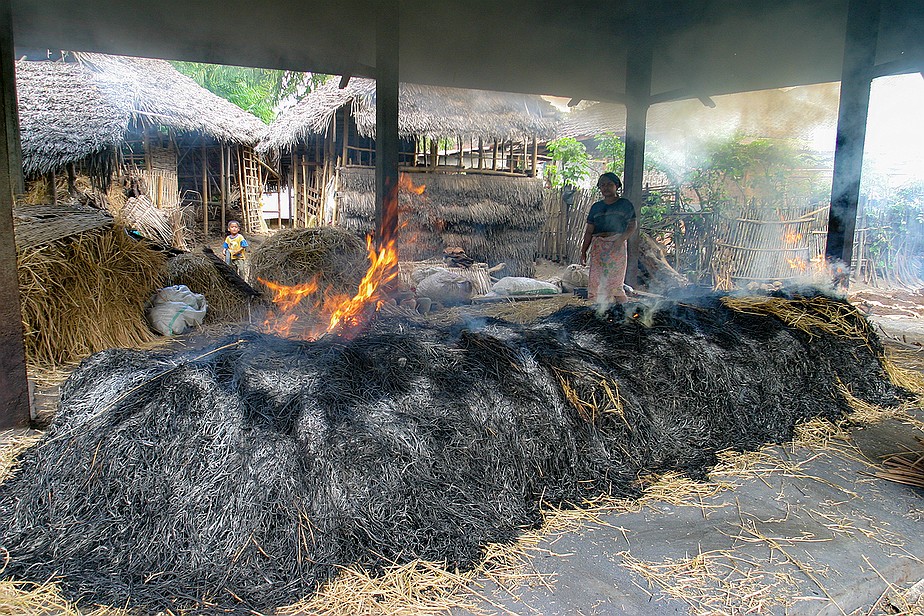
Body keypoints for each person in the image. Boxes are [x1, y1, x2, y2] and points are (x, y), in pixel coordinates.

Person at [579, 172, 637, 304]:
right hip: (598, 246)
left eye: (609, 184)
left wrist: (621, 240)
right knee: (596, 281)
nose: (605, 188)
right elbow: (589, 231)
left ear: (616, 186)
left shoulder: (625, 204)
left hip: (617, 244)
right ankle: (597, 308)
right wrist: (583, 251)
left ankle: (623, 309)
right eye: (602, 185)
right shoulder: (596, 207)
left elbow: (632, 225)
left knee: (615, 283)